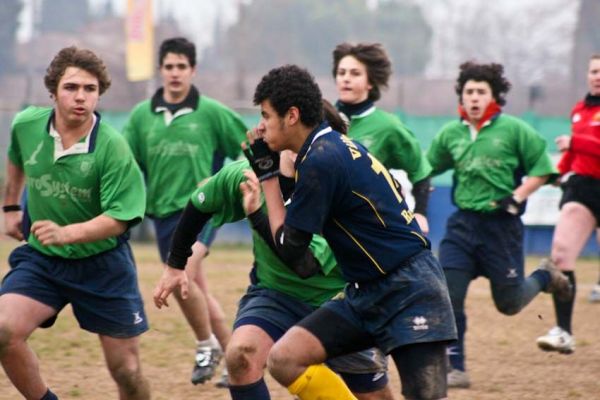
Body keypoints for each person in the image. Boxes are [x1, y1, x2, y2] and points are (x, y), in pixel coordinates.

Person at [238, 64, 457, 400]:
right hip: (364, 294)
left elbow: (291, 249)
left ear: (292, 115)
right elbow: (299, 254)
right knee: (284, 359)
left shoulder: (322, 160)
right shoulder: (325, 150)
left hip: (411, 290)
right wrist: (272, 174)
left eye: (266, 115)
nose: (261, 126)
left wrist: (266, 176)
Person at [153, 101, 395, 400]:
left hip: (339, 301)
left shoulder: (335, 191)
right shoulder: (247, 175)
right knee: (240, 355)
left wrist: (256, 215)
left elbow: (303, 264)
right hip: (275, 295)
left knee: (373, 396)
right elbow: (200, 203)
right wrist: (175, 265)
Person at [0, 47, 150, 400]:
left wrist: (65, 233)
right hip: (43, 260)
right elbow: (16, 158)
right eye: (71, 87)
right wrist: (10, 206)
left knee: (127, 372)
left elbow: (118, 218)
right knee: (3, 330)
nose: (81, 97)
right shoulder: (26, 124)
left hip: (103, 265)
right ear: (53, 90)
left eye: (90, 89)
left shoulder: (113, 147)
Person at [425, 61, 572, 389]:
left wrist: (518, 195)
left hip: (501, 227)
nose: (474, 98)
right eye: (468, 92)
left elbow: (543, 168)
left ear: (494, 96)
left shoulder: (515, 130)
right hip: (462, 225)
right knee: (448, 294)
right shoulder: (451, 133)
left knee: (509, 303)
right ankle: (456, 367)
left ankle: (546, 275)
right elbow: (426, 167)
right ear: (461, 97)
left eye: (480, 92)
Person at [123, 37, 247, 385]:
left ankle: (206, 345)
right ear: (160, 70)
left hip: (202, 209)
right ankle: (236, 360)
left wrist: (226, 180)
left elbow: (248, 146)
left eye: (182, 66)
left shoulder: (211, 112)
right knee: (193, 289)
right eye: (169, 66)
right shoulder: (140, 117)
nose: (175, 73)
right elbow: (129, 166)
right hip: (162, 214)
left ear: (193, 70)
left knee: (184, 274)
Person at [536, 54, 600, 352]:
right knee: (560, 256)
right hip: (584, 188)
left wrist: (575, 144)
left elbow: (580, 145)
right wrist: (557, 173)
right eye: (594, 71)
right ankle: (563, 331)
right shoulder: (579, 109)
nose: (597, 76)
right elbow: (575, 155)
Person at [332, 42, 432, 233]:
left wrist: (420, 213)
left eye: (355, 73)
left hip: (368, 226)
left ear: (370, 82)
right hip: (327, 224)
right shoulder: (322, 120)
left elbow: (420, 172)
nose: (346, 78)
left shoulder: (389, 126)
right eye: (341, 72)